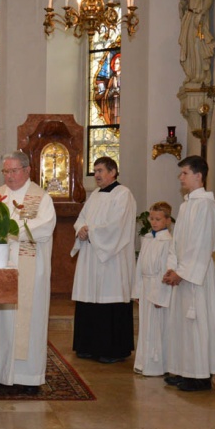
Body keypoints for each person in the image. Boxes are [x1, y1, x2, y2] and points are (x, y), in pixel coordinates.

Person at [0, 151, 56, 393]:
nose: (10, 176)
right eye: (6, 171)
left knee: (28, 321)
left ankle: (28, 378)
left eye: (14, 171)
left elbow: (44, 227)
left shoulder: (41, 198)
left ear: (27, 170)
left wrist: (9, 231)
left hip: (30, 270)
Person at [162, 156, 215, 392]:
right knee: (182, 326)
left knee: (197, 324)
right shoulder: (186, 204)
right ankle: (183, 370)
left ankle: (199, 376)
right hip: (182, 272)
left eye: (185, 173)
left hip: (196, 276)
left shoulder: (206, 206)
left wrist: (182, 272)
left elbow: (202, 244)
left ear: (199, 176)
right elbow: (177, 241)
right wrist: (172, 266)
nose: (181, 178)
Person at [71, 156, 136, 364]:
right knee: (89, 297)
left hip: (112, 259)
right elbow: (82, 217)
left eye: (100, 171)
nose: (96, 175)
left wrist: (91, 232)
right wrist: (80, 228)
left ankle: (112, 349)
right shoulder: (96, 195)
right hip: (92, 256)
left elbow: (117, 226)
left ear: (113, 172)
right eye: (95, 171)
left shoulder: (123, 194)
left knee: (109, 298)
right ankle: (88, 346)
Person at [132, 201, 173, 377]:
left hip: (158, 287)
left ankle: (158, 365)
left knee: (157, 327)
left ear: (167, 220)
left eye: (158, 219)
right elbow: (140, 266)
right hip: (146, 286)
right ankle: (143, 362)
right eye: (152, 218)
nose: (154, 222)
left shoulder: (168, 242)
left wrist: (161, 296)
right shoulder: (148, 239)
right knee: (145, 327)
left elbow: (166, 270)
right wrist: (137, 291)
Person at [178, 0, 215, 85]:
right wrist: (185, 0)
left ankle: (199, 75)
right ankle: (192, 74)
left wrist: (201, 13)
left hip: (197, 19)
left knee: (196, 46)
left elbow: (208, 0)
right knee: (189, 46)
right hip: (190, 18)